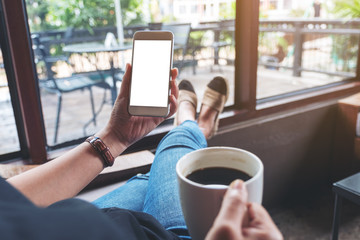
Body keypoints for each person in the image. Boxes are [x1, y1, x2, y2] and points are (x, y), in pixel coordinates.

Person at [1, 63, 283, 240]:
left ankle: (191, 123)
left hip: (81, 221)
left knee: (155, 177)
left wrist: (115, 137)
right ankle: (194, 124)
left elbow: (9, 203)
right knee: (176, 147)